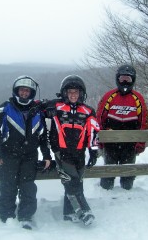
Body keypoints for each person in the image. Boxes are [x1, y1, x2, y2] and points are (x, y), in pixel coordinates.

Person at [0, 75, 52, 230]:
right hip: (8, 156)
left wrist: (47, 155)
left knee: (28, 187)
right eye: (22, 90)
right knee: (7, 186)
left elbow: (43, 136)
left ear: (32, 93)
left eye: (27, 91)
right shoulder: (3, 109)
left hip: (30, 156)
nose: (24, 93)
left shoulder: (37, 112)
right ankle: (7, 216)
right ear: (16, 91)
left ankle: (26, 216)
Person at [46, 75, 100, 226]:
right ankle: (84, 212)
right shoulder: (57, 107)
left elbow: (93, 132)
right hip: (61, 152)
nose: (73, 95)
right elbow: (36, 105)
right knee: (71, 181)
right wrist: (49, 104)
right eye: (70, 92)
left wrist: (94, 152)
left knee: (78, 182)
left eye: (76, 92)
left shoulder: (88, 111)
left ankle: (69, 213)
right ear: (64, 93)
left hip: (80, 152)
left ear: (81, 93)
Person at [96, 64, 148, 190]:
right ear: (117, 79)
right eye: (122, 79)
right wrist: (101, 139)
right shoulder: (109, 96)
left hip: (130, 143)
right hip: (111, 142)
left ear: (133, 80)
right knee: (109, 171)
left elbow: (144, 121)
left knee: (128, 172)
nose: (125, 82)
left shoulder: (138, 98)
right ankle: (105, 192)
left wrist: (140, 142)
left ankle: (126, 193)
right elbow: (99, 118)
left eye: (128, 79)